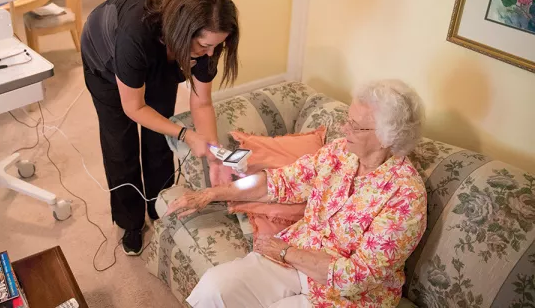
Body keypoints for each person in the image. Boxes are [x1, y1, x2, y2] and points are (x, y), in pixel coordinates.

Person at [165, 79, 427, 308]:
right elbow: (279, 182)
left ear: (385, 138)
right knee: (217, 287)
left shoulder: (406, 196)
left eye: (355, 126)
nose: (344, 129)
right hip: (296, 256)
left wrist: (286, 253)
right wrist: (211, 194)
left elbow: (359, 277)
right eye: (348, 119)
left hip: (347, 296)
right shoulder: (339, 152)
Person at [81, 0, 240, 255]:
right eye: (205, 45)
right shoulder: (134, 37)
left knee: (159, 136)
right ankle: (129, 221)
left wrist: (213, 150)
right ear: (183, 33)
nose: (212, 53)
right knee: (120, 143)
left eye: (217, 46)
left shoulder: (208, 40)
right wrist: (187, 134)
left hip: (164, 51)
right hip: (105, 60)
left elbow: (202, 102)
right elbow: (134, 108)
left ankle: (158, 204)